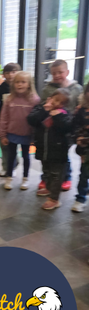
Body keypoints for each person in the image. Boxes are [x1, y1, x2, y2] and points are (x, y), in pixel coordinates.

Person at [38, 59, 83, 192]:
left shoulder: (77, 88)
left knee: (64, 155)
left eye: (60, 72)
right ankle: (46, 177)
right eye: (54, 73)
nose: (57, 75)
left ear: (67, 72)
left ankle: (66, 177)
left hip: (67, 127)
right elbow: (42, 105)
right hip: (51, 129)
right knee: (47, 155)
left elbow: (79, 105)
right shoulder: (47, 89)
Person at [27, 88, 74, 210]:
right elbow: (31, 120)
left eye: (61, 102)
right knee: (46, 171)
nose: (56, 104)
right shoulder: (41, 108)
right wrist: (44, 109)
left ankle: (54, 199)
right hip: (43, 149)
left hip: (58, 152)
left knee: (56, 175)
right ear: (50, 98)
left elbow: (66, 128)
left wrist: (57, 116)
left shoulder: (64, 114)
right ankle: (48, 188)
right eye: (55, 99)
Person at [0, 70, 39, 191]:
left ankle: (25, 178)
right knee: (11, 156)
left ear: (29, 84)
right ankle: (9, 176)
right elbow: (4, 117)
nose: (19, 85)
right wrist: (3, 134)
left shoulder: (34, 100)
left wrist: (34, 137)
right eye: (17, 82)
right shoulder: (10, 99)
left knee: (26, 156)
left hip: (27, 134)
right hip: (12, 134)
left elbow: (37, 120)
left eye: (23, 82)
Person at [0, 62, 20, 177]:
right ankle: (6, 167)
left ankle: (13, 163)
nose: (11, 75)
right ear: (3, 75)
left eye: (14, 72)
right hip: (3, 124)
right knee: (4, 146)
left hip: (18, 124)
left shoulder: (22, 87)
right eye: (7, 73)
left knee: (14, 146)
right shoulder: (0, 90)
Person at [71, 83, 89, 213]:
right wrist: (81, 150)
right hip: (86, 149)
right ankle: (80, 198)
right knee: (84, 175)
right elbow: (76, 128)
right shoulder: (82, 110)